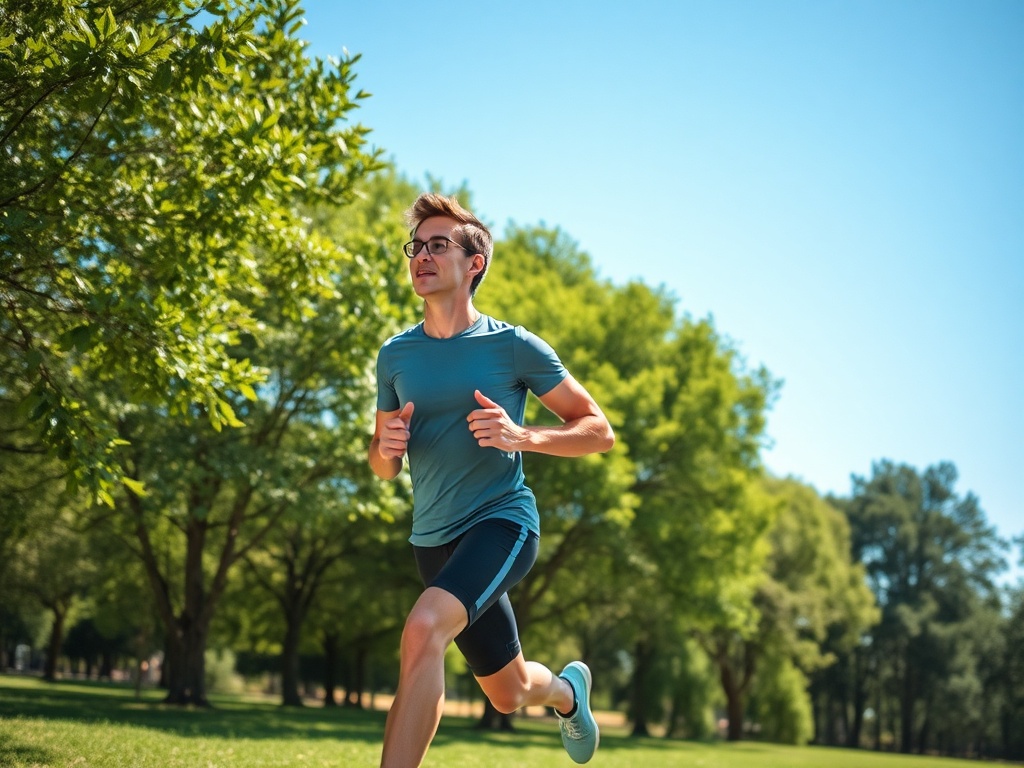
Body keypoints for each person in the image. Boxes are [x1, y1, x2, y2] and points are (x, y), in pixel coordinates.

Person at [369, 193, 615, 767]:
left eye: (438, 245)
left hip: (501, 524)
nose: (421, 256)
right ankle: (567, 693)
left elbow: (597, 429)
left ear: (473, 263)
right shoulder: (395, 356)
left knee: (423, 628)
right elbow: (382, 466)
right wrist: (383, 448)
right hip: (432, 541)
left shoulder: (512, 346)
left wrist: (523, 436)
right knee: (507, 694)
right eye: (416, 246)